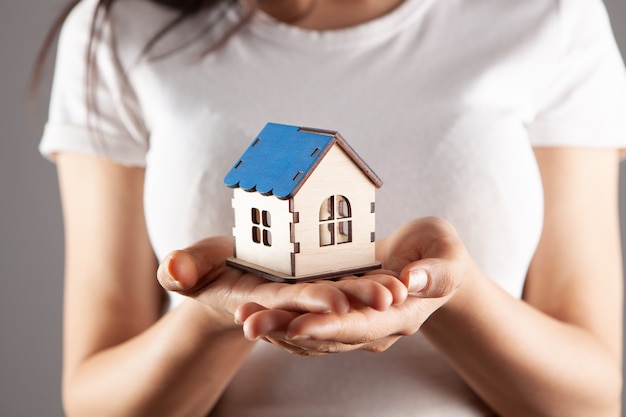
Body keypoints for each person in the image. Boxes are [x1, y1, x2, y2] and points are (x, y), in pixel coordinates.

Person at [37, 0, 626, 415]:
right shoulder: (118, 27)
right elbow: (97, 399)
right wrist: (213, 318)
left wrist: (457, 295)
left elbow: (593, 399)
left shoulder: (550, 16)